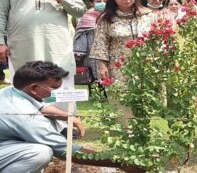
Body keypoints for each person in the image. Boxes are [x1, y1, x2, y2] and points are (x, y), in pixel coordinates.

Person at [0, 61, 144, 173]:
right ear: (34, 88)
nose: (58, 92)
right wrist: (121, 162)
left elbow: (41, 106)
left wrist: (70, 117)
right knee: (39, 153)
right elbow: (65, 150)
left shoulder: (12, 91)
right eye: (55, 89)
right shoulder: (27, 117)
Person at [0, 0, 86, 124]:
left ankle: (66, 125)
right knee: (25, 82)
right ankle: (28, 124)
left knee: (61, 82)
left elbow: (81, 11)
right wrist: (1, 42)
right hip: (22, 43)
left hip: (57, 45)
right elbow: (1, 13)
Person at [90, 0, 156, 127]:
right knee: (121, 96)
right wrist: (102, 66)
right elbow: (101, 42)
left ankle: (144, 127)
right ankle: (129, 129)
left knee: (145, 94)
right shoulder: (106, 18)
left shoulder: (148, 15)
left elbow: (157, 38)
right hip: (118, 64)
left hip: (145, 63)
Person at [74, 0, 107, 81]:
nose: (102, 3)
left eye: (105, 1)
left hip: (109, 49)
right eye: (99, 1)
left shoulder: (111, 15)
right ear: (92, 3)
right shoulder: (86, 17)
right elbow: (80, 34)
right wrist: (79, 52)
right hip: (92, 50)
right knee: (96, 75)